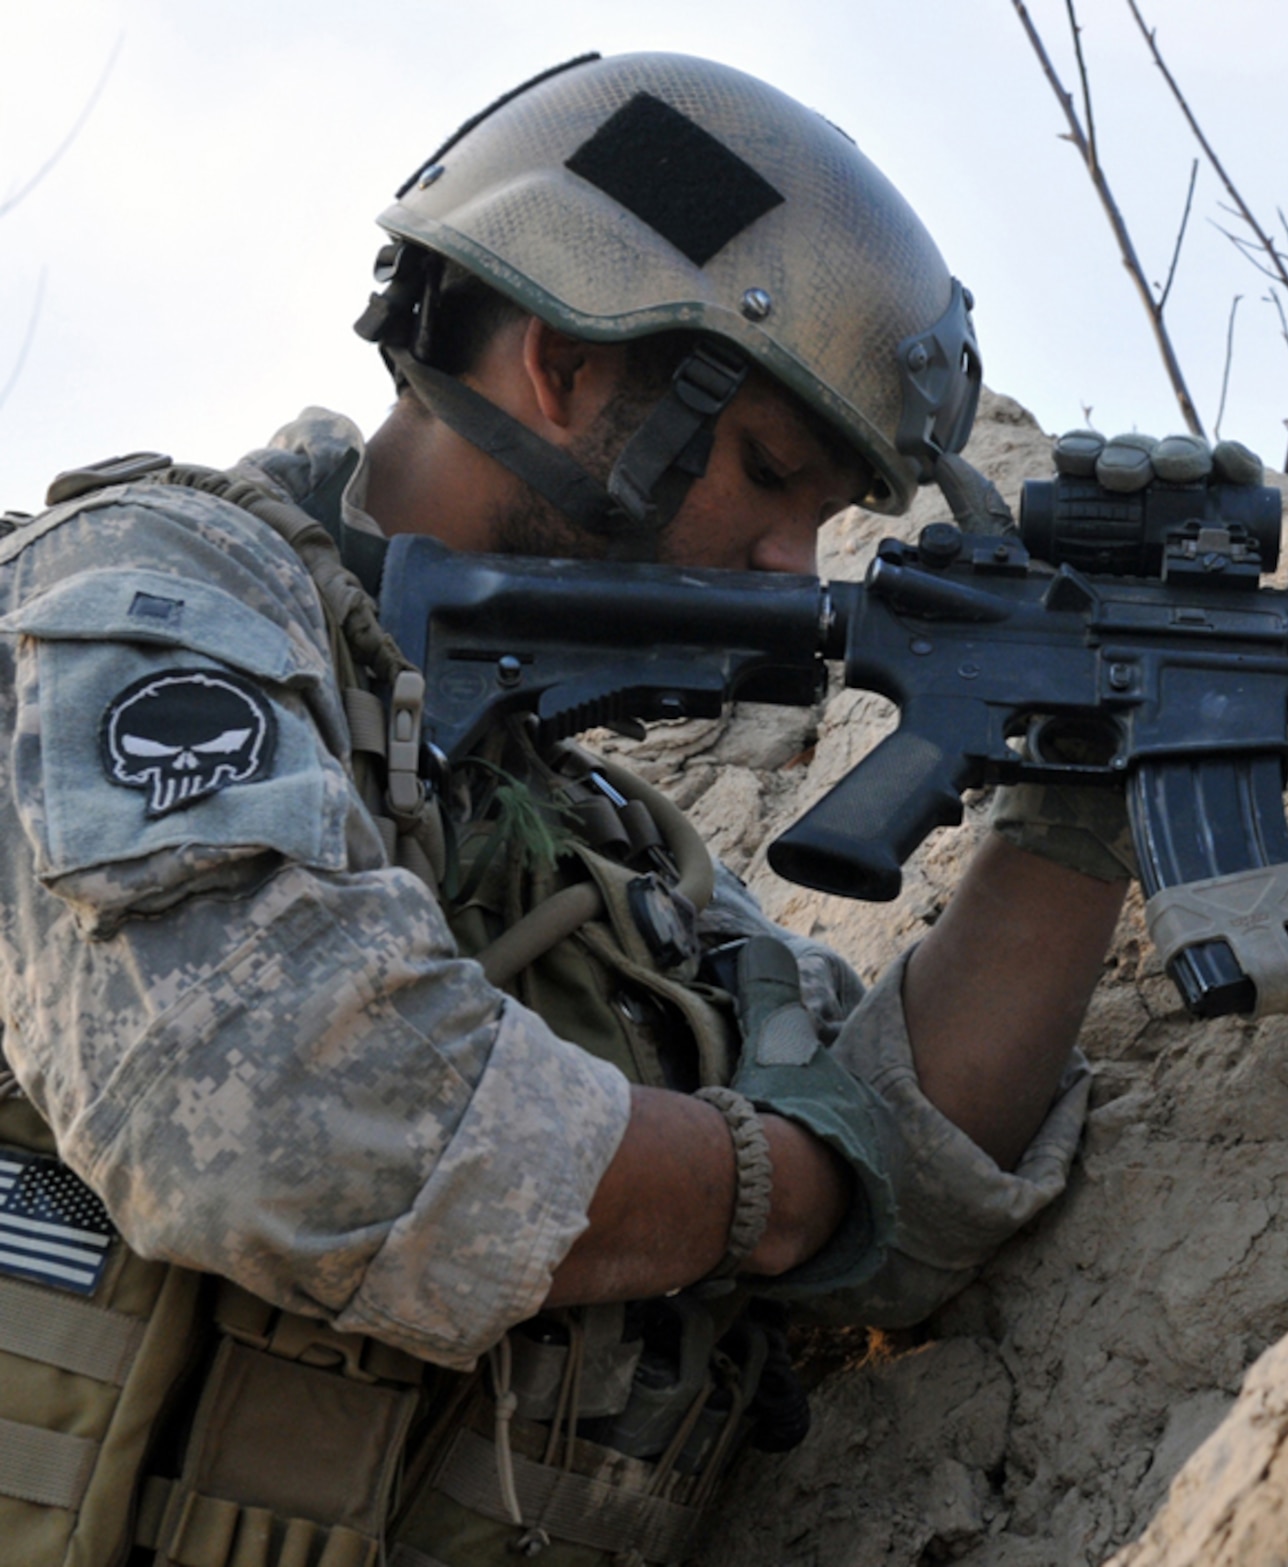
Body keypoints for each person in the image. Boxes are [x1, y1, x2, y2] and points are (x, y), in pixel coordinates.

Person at [0, 52, 1143, 1567]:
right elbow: (281, 1123)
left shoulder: (600, 850)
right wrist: (767, 1192)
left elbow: (901, 1195)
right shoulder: (132, 603)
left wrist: (1088, 781)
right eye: (769, 472)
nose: (789, 565)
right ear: (563, 366)